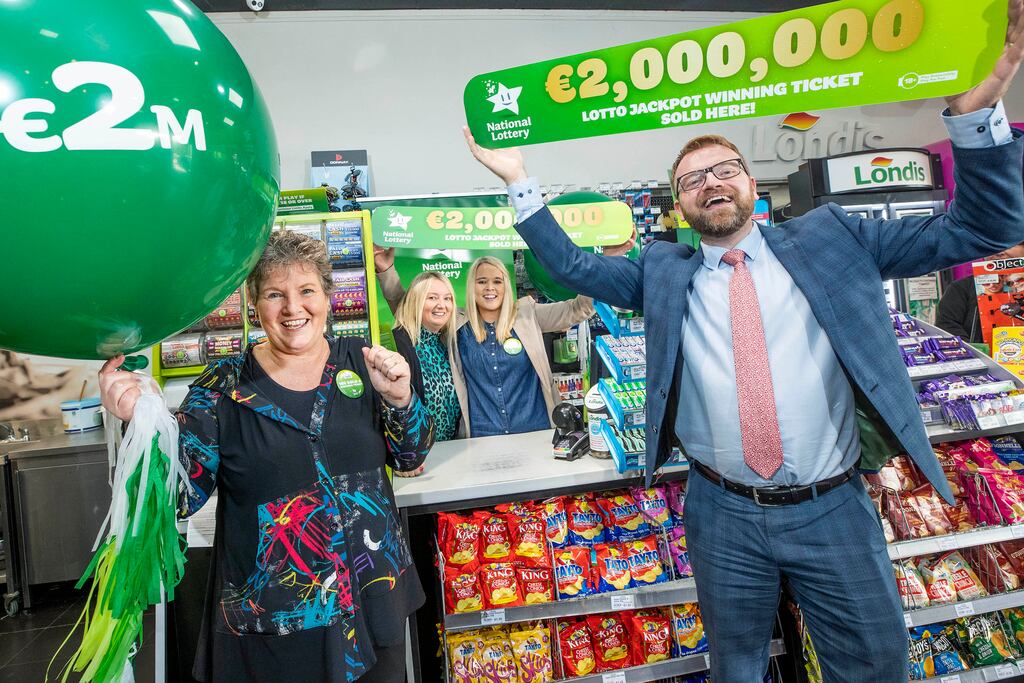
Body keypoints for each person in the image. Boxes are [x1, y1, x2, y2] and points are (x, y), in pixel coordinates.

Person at [463, 5, 1024, 678]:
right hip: (720, 511)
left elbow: (980, 229)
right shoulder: (663, 272)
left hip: (834, 505)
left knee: (875, 663)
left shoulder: (831, 236)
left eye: (725, 168)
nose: (712, 183)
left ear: (753, 186)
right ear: (679, 207)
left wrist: (974, 116)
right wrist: (517, 180)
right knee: (737, 666)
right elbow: (577, 268)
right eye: (693, 179)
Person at [99, 230, 434, 683]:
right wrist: (138, 424)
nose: (293, 309)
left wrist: (400, 399)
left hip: (374, 600)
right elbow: (179, 495)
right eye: (275, 294)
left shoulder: (363, 361)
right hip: (279, 627)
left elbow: (411, 453)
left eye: (307, 291)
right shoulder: (222, 388)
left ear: (329, 298)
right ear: (254, 306)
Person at [374, 250, 595, 437]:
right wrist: (386, 271)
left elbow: (577, 309)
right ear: (472, 286)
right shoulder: (457, 322)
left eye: (497, 281)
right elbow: (412, 308)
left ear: (505, 285)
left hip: (535, 431)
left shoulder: (528, 314)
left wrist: (608, 264)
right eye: (482, 282)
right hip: (481, 436)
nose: (490, 288)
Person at [389, 270, 462, 461]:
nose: (442, 305)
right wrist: (404, 459)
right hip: (415, 459)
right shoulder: (398, 344)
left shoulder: (448, 344)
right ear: (416, 301)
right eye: (432, 298)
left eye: (448, 298)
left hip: (453, 453)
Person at [936, 243, 1024, 342]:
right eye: (991, 244)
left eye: (1008, 244)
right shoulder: (960, 288)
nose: (999, 252)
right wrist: (974, 352)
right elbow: (946, 326)